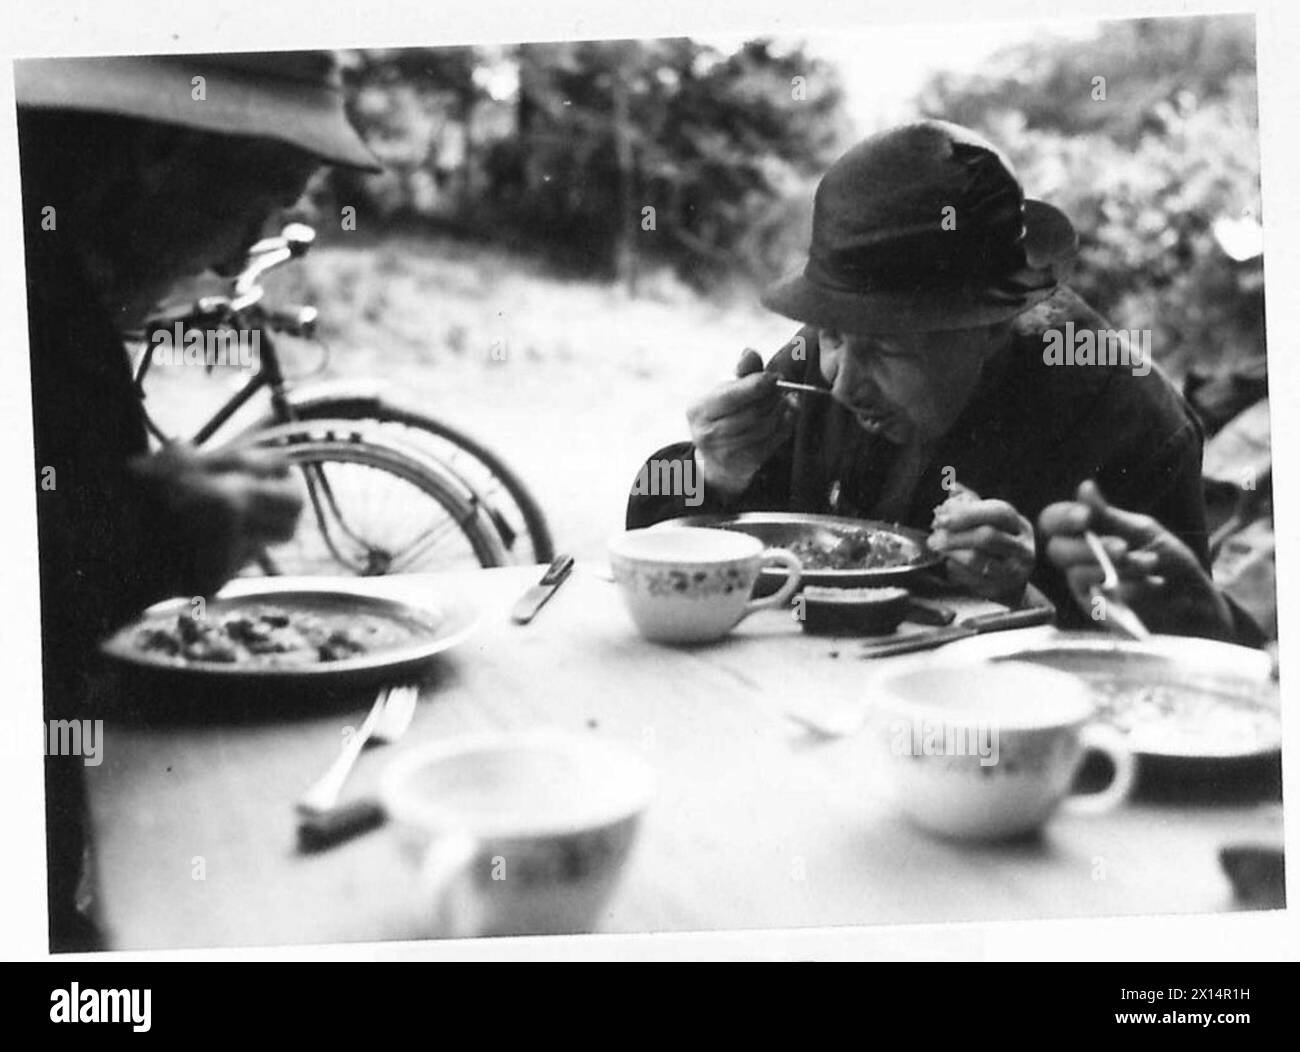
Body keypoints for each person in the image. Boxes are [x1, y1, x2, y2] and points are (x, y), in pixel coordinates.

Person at [626, 120, 1260, 644]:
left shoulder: (1129, 424)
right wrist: (712, 474)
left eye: (883, 348)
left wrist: (1025, 594)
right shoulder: (827, 350)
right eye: (831, 335)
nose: (842, 384)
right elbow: (657, 555)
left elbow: (1186, 664)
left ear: (992, 325)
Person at [17, 51, 381, 950]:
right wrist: (133, 533)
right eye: (262, 195)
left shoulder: (53, 276)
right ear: (159, 151)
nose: (233, 254)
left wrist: (127, 519)